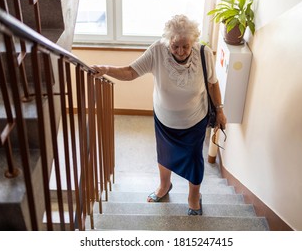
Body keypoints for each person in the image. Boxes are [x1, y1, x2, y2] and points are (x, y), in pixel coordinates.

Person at [91, 14, 227, 215]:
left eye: (185, 46)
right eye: (175, 46)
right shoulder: (157, 50)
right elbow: (130, 72)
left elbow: (213, 83)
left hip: (194, 120)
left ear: (193, 42)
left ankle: (193, 197)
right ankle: (164, 187)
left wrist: (221, 110)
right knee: (165, 155)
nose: (180, 52)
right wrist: (106, 69)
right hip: (165, 120)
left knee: (194, 159)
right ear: (168, 41)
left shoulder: (204, 53)